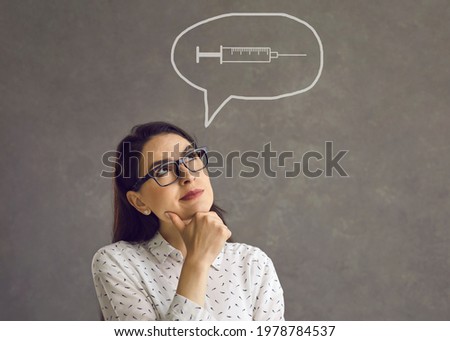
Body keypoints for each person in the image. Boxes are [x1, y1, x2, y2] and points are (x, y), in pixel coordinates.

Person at [91, 121, 285, 320]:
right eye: (162, 170)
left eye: (190, 157)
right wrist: (197, 262)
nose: (187, 175)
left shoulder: (253, 262)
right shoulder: (118, 262)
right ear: (139, 201)